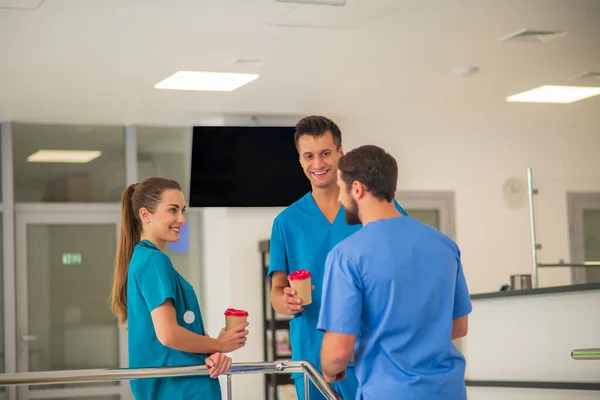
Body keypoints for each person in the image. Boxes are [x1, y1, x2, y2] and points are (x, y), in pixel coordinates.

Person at [268, 117, 408, 399]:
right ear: (300, 160)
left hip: (370, 353)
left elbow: (405, 262)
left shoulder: (371, 207)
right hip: (312, 358)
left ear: (341, 154)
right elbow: (276, 289)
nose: (317, 163)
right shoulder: (286, 222)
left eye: (325, 153)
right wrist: (284, 300)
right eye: (309, 155)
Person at [318, 145, 472, 400]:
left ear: (357, 188)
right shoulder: (444, 245)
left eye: (340, 189)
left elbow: (338, 353)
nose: (339, 199)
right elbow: (458, 326)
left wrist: (330, 369)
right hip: (448, 391)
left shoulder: (347, 255)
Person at [110, 177, 249, 400]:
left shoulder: (145, 259)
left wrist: (212, 351)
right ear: (145, 215)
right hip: (179, 388)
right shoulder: (153, 260)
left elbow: (180, 328)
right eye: (172, 210)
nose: (182, 219)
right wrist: (219, 344)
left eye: (182, 210)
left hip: (183, 384)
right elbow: (168, 334)